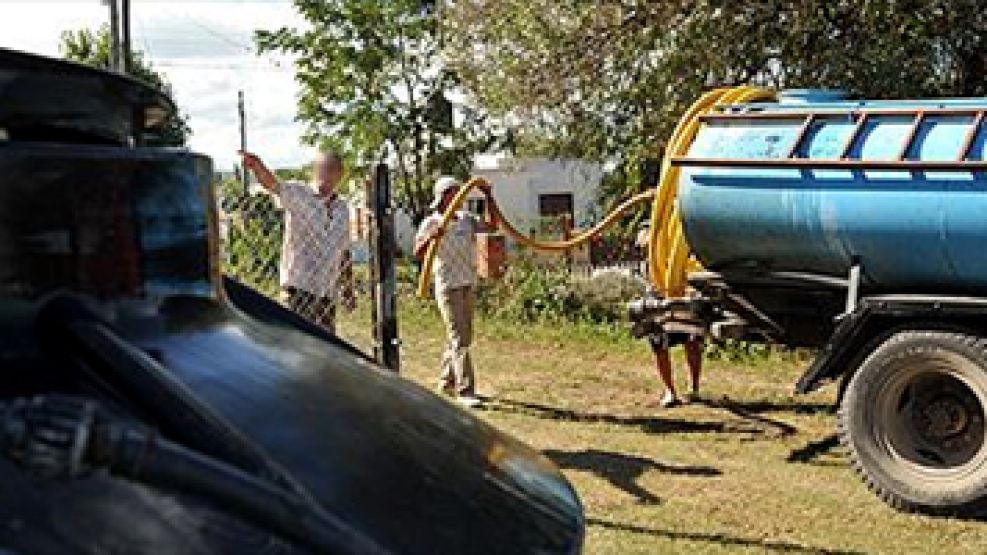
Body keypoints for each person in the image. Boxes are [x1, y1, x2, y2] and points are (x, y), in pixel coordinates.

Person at [239, 149, 353, 333]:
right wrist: (258, 167)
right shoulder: (300, 194)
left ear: (340, 174)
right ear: (314, 171)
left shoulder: (342, 209)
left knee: (326, 344)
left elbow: (344, 250)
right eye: (324, 168)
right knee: (294, 341)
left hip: (326, 291)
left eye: (333, 169)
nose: (328, 173)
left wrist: (348, 288)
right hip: (298, 287)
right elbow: (273, 185)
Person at [414, 176, 494, 408]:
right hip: (447, 285)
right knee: (459, 336)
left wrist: (489, 197)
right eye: (455, 192)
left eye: (461, 192)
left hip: (467, 282)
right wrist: (432, 237)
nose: (460, 197)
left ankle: (446, 381)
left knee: (462, 335)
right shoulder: (432, 221)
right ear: (444, 196)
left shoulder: (467, 219)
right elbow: (417, 252)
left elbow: (492, 227)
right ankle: (465, 390)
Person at [636, 226, 704, 408]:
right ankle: (670, 390)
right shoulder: (647, 266)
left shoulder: (678, 251)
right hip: (659, 301)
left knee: (692, 342)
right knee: (660, 347)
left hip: (681, 296)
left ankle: (694, 388)